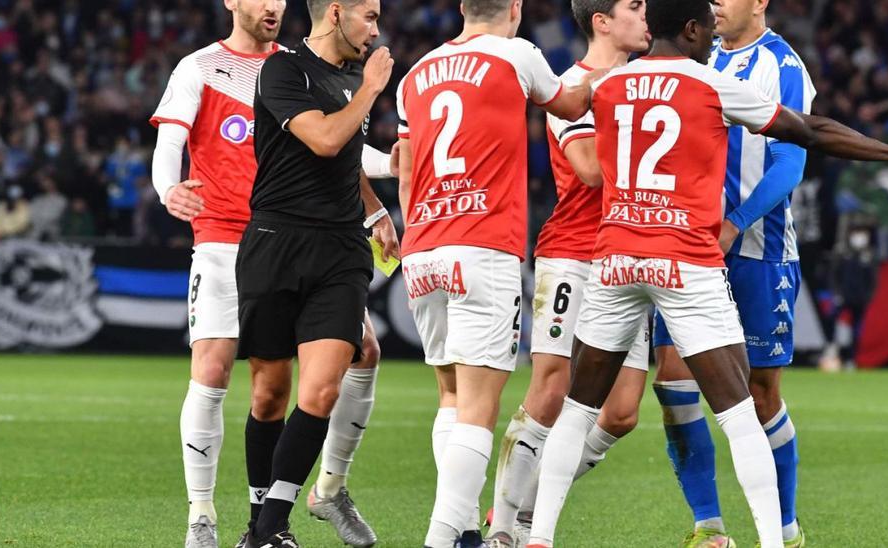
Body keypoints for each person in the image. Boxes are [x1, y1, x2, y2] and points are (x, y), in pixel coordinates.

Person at [525, 0, 888, 545]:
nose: (713, 35)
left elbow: (561, 105)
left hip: (616, 259)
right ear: (689, 29)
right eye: (706, 27)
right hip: (686, 259)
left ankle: (538, 536)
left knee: (578, 406)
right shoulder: (709, 84)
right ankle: (772, 539)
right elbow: (808, 129)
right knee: (736, 411)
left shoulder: (610, 82)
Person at [391, 0, 600, 544]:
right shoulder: (516, 54)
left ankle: (462, 529)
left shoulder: (415, 75)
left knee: (451, 397)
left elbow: (407, 174)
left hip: (423, 247)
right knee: (480, 408)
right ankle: (443, 538)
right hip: (483, 245)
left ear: (463, 8)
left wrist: (417, 237)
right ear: (515, 8)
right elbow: (572, 101)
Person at [647, 0, 813, 544]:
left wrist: (737, 223)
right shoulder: (697, 57)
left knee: (760, 394)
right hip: (690, 247)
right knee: (673, 380)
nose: (715, 2)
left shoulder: (783, 67)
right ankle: (708, 528)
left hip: (758, 250)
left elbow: (791, 162)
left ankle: (785, 530)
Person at [486, 0, 651, 544]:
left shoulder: (650, 85)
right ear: (602, 21)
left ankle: (531, 504)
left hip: (627, 259)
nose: (646, 16)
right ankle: (504, 527)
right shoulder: (571, 87)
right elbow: (588, 169)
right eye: (634, 6)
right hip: (574, 253)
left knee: (622, 412)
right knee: (553, 385)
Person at [236, 0, 393, 545]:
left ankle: (271, 527)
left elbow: (345, 157)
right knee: (269, 395)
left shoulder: (354, 74)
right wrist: (371, 90)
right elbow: (325, 139)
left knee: (322, 388)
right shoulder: (284, 70)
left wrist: (374, 210)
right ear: (335, 13)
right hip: (276, 241)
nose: (375, 29)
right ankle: (260, 524)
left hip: (340, 251)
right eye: (369, 16)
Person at [149, 1, 289, 545]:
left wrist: (384, 166)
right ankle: (201, 514)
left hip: (283, 241)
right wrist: (168, 189)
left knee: (274, 386)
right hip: (221, 241)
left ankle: (288, 507)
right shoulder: (200, 67)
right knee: (211, 371)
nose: (273, 4)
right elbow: (170, 145)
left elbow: (335, 148)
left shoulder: (295, 66)